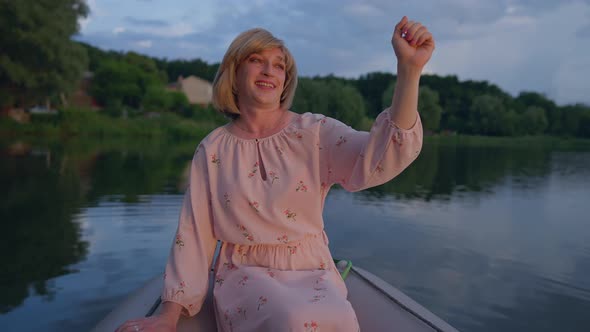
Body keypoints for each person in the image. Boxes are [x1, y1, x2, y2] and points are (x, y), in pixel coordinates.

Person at [116, 15, 434, 332]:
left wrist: (409, 70)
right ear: (234, 73)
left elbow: (379, 157)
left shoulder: (314, 132)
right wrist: (168, 316)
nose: (270, 70)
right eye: (257, 60)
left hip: (313, 268)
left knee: (338, 319)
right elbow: (193, 235)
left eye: (279, 65)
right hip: (245, 273)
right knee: (291, 320)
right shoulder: (213, 149)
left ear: (285, 80)